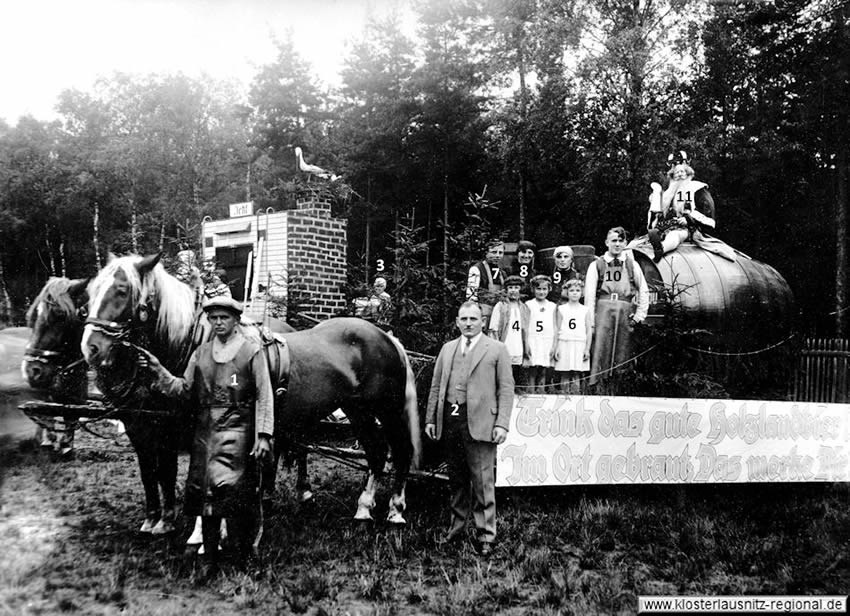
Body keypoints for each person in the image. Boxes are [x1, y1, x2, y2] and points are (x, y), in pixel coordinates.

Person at [137, 295, 273, 574]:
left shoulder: (251, 351)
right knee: (206, 497)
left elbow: (264, 393)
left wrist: (263, 434)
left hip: (238, 430)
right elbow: (183, 390)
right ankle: (209, 558)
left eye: (224, 317)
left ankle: (241, 557)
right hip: (206, 434)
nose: (218, 323)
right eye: (213, 318)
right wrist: (157, 370)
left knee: (236, 496)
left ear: (236, 320)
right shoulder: (201, 353)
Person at [425, 302, 514, 556]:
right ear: (456, 321)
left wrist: (502, 424)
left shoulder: (497, 350)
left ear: (483, 322)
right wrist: (431, 418)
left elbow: (506, 390)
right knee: (456, 479)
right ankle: (456, 528)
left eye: (473, 318)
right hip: (451, 423)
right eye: (463, 318)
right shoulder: (447, 349)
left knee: (483, 480)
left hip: (481, 423)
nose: (468, 323)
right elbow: (435, 387)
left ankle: (486, 534)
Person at [584, 227, 649, 391]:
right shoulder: (597, 265)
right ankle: (598, 387)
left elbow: (644, 290)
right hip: (604, 309)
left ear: (626, 243)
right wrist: (590, 322)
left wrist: (639, 316)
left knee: (623, 349)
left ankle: (620, 387)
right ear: (607, 243)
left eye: (621, 241)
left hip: (624, 310)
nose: (617, 244)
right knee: (601, 348)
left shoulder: (631, 264)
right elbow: (590, 295)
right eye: (614, 240)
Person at [646, 151, 717, 262]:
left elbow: (708, 214)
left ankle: (661, 249)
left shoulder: (695, 188)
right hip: (663, 228)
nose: (679, 174)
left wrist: (688, 219)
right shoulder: (666, 193)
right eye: (676, 172)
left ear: (688, 172)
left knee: (675, 235)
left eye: (682, 171)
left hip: (686, 229)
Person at [487, 275, 530, 391]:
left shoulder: (524, 307)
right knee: (503, 372)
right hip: (505, 343)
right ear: (506, 290)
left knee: (516, 372)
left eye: (516, 287)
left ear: (520, 289)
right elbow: (493, 329)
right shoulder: (501, 306)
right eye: (510, 287)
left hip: (518, 345)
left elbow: (526, 329)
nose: (513, 290)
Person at [553, 279, 592, 395]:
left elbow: (589, 330)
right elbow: (557, 329)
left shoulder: (585, 309)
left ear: (582, 293)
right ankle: (564, 397)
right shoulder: (561, 309)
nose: (575, 293)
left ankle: (576, 398)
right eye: (572, 290)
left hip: (579, 343)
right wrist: (556, 347)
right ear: (567, 292)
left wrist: (587, 349)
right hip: (564, 343)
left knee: (576, 373)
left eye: (578, 290)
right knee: (565, 372)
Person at [524, 275, 558, 394]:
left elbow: (555, 325)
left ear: (549, 289)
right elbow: (526, 325)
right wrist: (526, 344)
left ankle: (541, 391)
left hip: (547, 339)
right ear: (533, 289)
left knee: (544, 368)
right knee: (532, 368)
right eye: (538, 289)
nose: (541, 292)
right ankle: (530, 392)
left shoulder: (552, 306)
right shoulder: (529, 304)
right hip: (533, 338)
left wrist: (554, 345)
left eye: (544, 289)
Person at [467, 240, 506, 330]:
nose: (497, 255)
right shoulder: (476, 269)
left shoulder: (502, 273)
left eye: (500, 253)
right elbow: (471, 297)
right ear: (486, 253)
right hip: (483, 314)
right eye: (494, 252)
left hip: (498, 314)